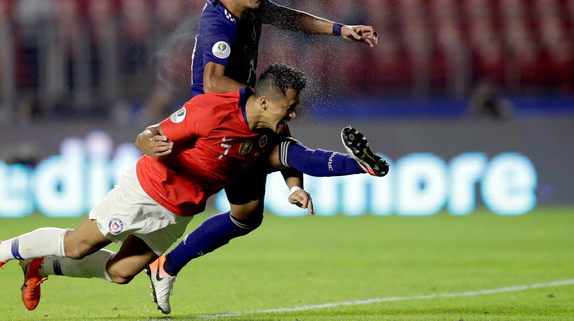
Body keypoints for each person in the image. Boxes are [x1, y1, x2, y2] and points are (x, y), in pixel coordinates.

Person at [0, 64, 389, 311]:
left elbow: (295, 156)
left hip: (181, 211)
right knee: (77, 245)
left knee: (120, 273)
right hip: (149, 190)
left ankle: (40, 264)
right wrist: (148, 143)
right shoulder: (213, 110)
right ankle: (4, 251)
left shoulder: (272, 126)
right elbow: (148, 134)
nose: (293, 113)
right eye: (288, 107)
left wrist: (294, 187)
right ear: (265, 101)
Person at [145, 0, 382, 314]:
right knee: (279, 145)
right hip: (218, 122)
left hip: (245, 112)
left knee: (247, 214)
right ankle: (360, 164)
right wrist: (262, 99)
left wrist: (341, 29)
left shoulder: (250, 9)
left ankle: (166, 266)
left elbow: (293, 19)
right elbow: (212, 83)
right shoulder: (216, 23)